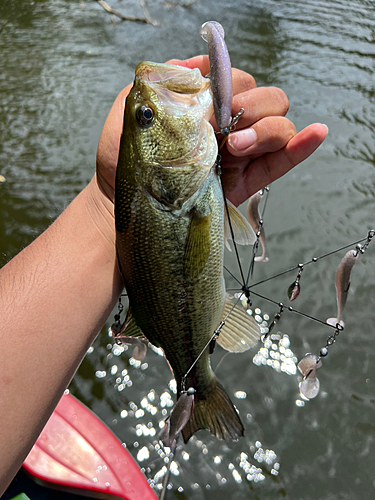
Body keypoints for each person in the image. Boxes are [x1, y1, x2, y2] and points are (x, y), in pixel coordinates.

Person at [0, 55, 327, 494]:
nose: (148, 104)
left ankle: (192, 381)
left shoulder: (172, 187)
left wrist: (106, 200)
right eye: (148, 117)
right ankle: (198, 384)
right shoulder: (164, 188)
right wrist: (106, 198)